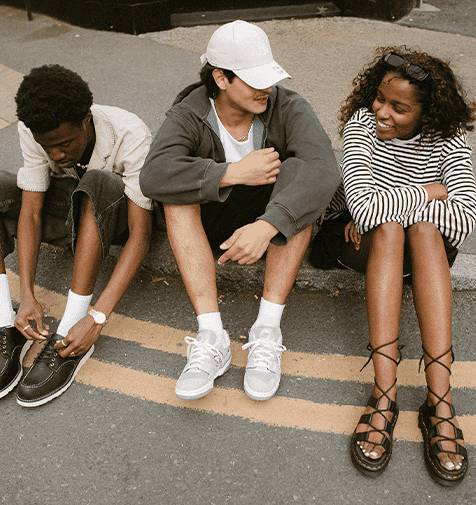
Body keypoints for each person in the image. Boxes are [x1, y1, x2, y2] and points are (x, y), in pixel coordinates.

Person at [139, 20, 340, 402]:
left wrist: (268, 224)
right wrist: (231, 172)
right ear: (221, 78)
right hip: (216, 226)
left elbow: (324, 168)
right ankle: (211, 335)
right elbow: (154, 175)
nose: (266, 88)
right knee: (174, 196)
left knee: (300, 173)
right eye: (253, 80)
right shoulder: (189, 112)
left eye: (268, 77)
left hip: (272, 225)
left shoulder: (288, 105)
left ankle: (267, 330)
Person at [313, 47, 476, 485]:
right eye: (380, 98)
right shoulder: (361, 127)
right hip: (358, 241)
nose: (381, 111)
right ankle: (384, 394)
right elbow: (365, 210)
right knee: (388, 228)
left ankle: (438, 400)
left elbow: (465, 216)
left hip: (421, 244)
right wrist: (427, 193)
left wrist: (396, 207)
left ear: (428, 113)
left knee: (422, 230)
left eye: (399, 108)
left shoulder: (449, 135)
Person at [0, 64, 154, 408]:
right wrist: (26, 294)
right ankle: (7, 329)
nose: (57, 154)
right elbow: (30, 211)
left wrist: (96, 318)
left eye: (65, 143)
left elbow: (141, 236)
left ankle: (70, 339)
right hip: (68, 209)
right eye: (48, 147)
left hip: (112, 217)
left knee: (97, 182)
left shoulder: (131, 134)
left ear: (86, 118)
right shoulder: (34, 129)